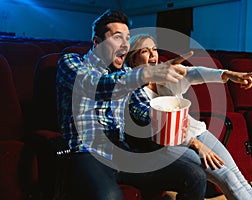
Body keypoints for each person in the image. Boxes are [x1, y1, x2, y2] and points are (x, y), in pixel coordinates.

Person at [56, 9, 207, 200]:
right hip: (87, 153)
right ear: (97, 42)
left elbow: (140, 108)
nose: (125, 45)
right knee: (110, 196)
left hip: (121, 152)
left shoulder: (127, 72)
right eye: (118, 37)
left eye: (127, 38)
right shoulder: (71, 62)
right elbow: (95, 87)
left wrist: (167, 117)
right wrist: (144, 74)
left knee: (194, 176)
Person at [125, 33, 252, 200]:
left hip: (192, 130)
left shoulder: (164, 70)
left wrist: (228, 74)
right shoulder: (130, 86)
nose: (153, 54)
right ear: (133, 59)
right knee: (227, 177)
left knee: (236, 173)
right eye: (145, 51)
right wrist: (197, 145)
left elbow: (192, 73)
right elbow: (160, 125)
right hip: (169, 143)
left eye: (154, 49)